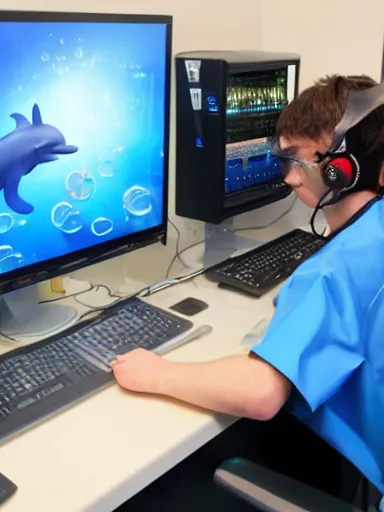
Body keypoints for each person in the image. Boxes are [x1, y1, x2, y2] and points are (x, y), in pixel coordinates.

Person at [111, 74, 384, 503]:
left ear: (338, 165)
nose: (291, 178)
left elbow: (261, 393)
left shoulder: (336, 268)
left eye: (296, 157)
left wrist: (157, 373)